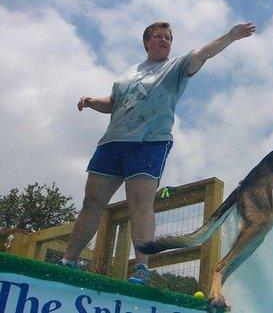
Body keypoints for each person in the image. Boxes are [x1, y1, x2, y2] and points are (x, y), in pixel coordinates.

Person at [61, 21, 256, 285]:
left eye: (168, 37)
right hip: (112, 142)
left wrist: (231, 36)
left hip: (150, 142)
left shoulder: (175, 66)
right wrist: (94, 101)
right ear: (146, 42)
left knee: (140, 203)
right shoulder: (129, 73)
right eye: (158, 36)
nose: (164, 40)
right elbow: (115, 103)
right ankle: (68, 261)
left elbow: (203, 53)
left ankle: (141, 267)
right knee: (92, 202)